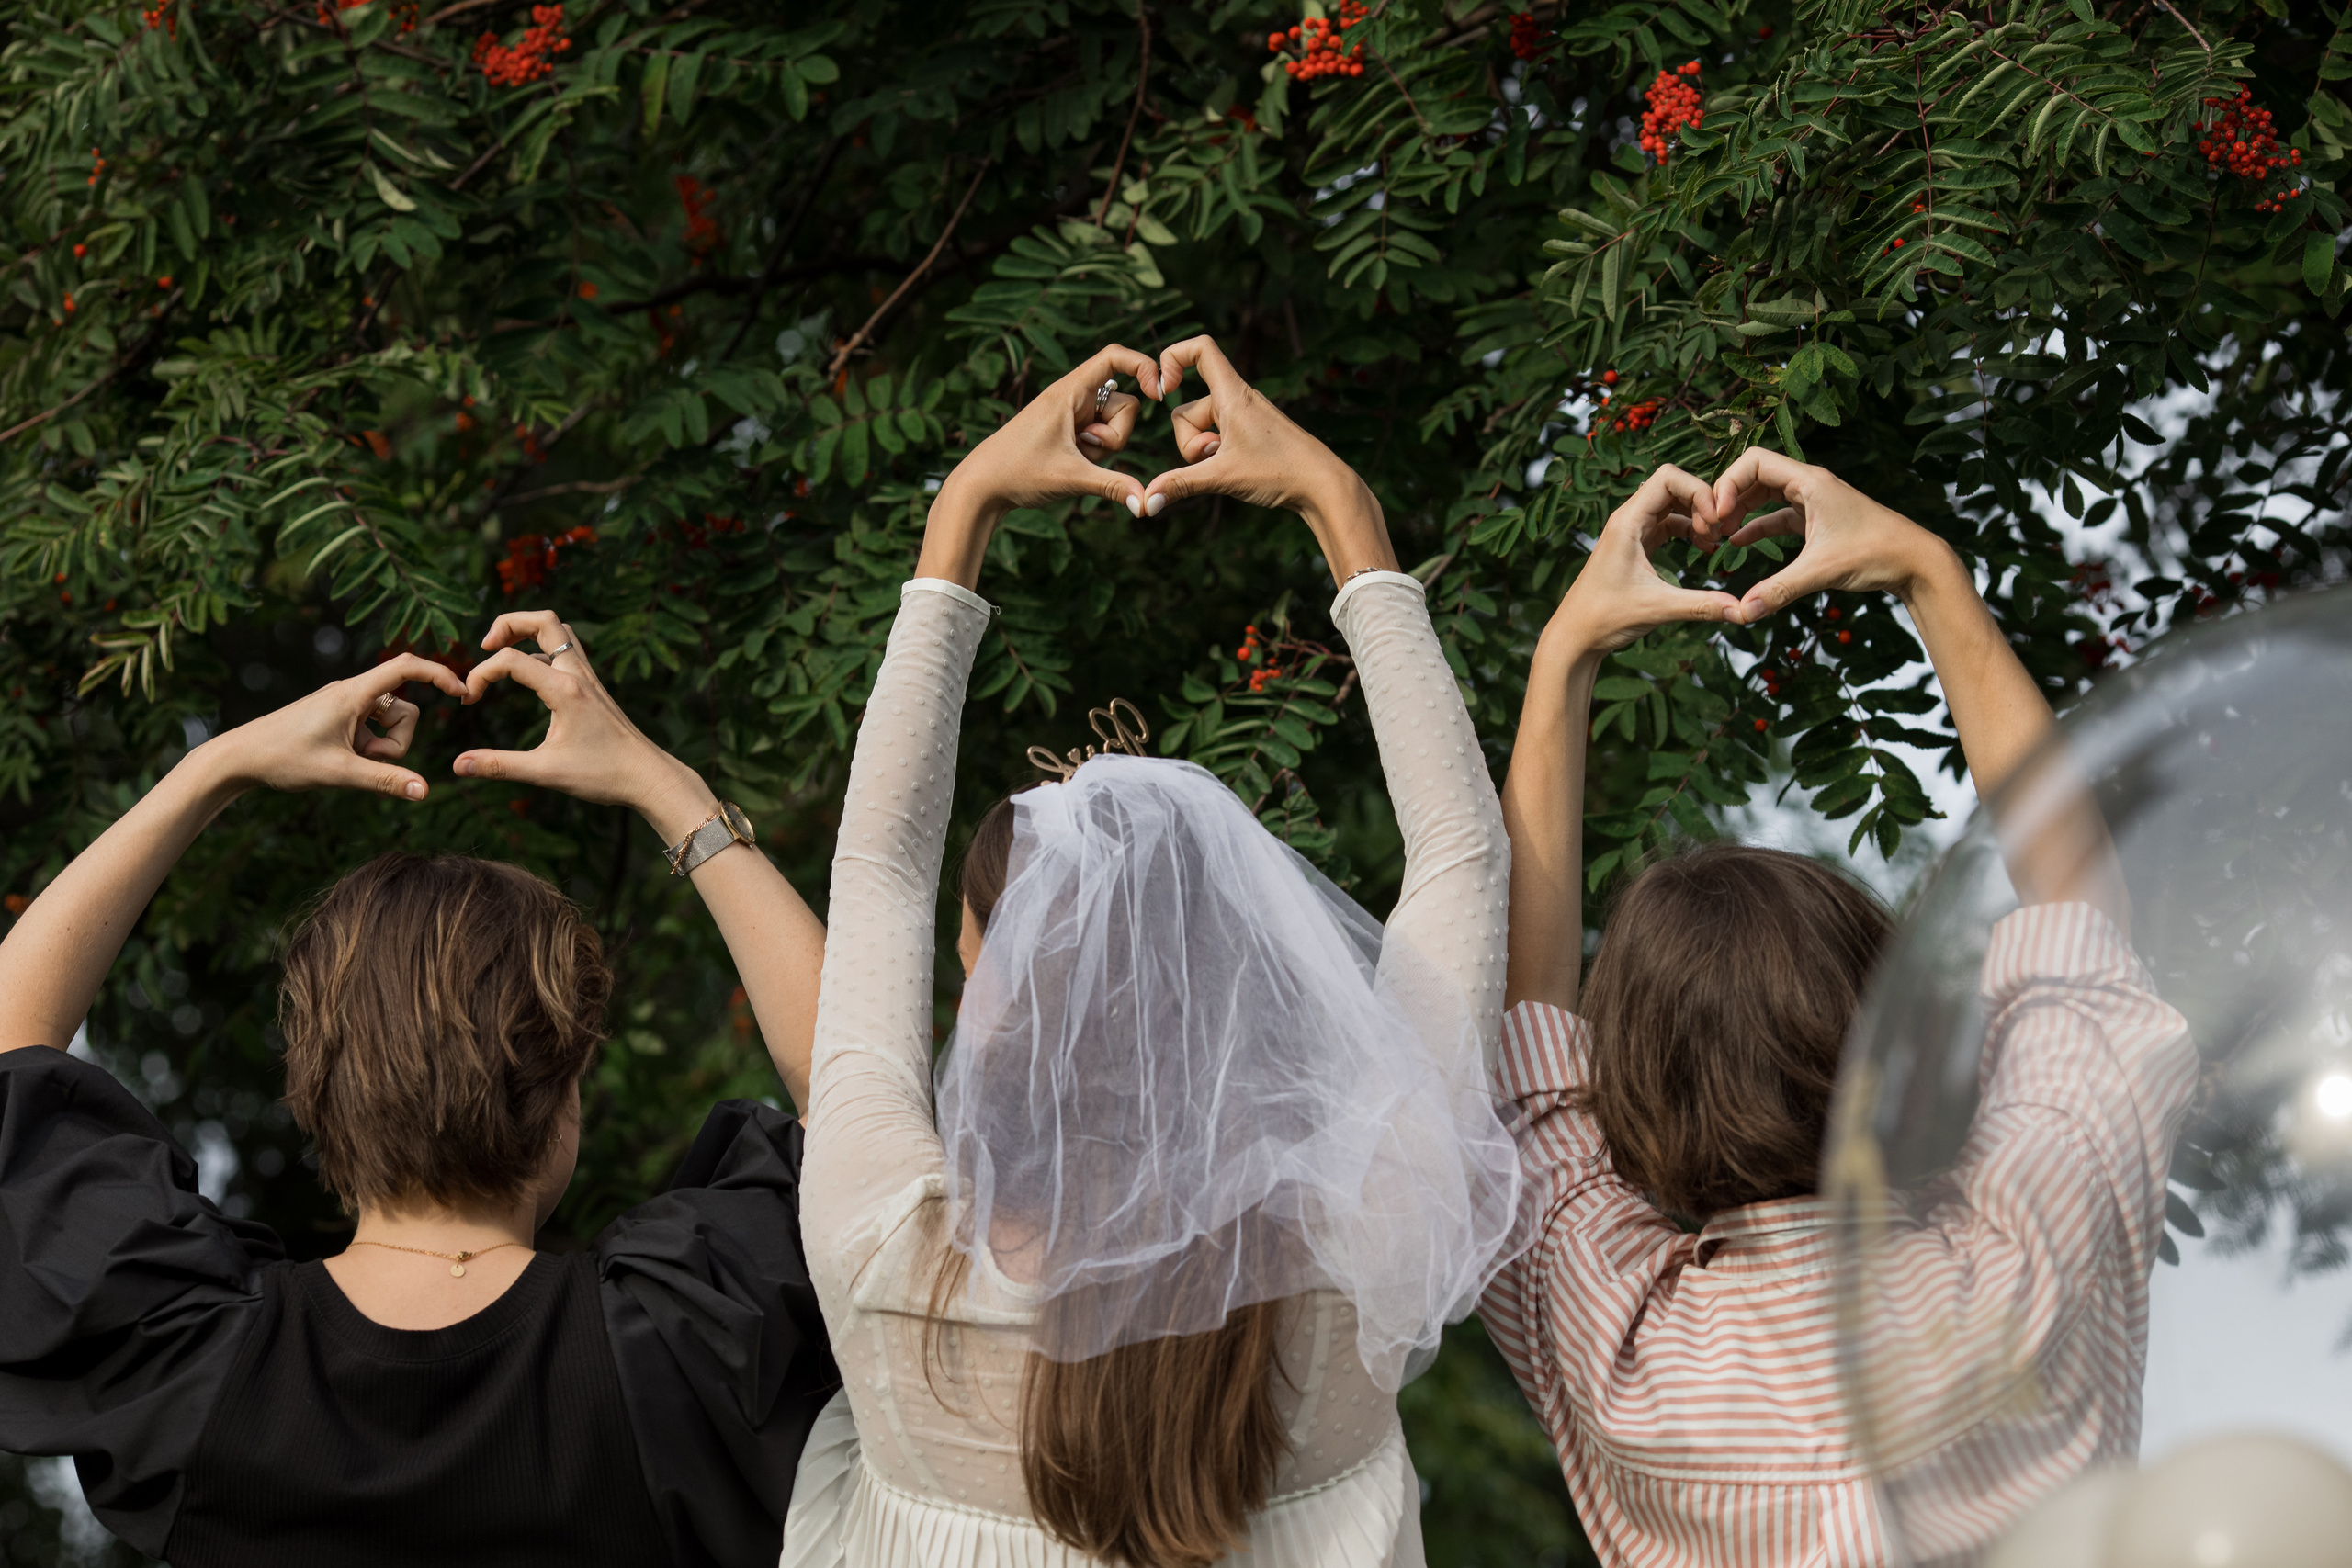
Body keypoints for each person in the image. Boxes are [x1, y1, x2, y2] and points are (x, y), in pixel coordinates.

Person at [788, 337, 1526, 1568]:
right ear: (1245, 980)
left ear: (996, 998)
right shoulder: (1371, 1251)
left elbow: (877, 869)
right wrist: (1342, 510)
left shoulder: (882, 1248)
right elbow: (1461, 855)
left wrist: (961, 513)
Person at [0, 613, 840, 1568]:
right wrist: (669, 788)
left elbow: (7, 1063)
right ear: (564, 1090)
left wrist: (216, 769)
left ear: (310, 1087)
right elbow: (863, 1108)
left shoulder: (193, 1363)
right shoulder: (683, 1339)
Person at [1478, 452, 2196, 1565]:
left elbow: (1530, 1048)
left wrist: (1564, 655)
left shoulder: (1615, 1338)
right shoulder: (2023, 1253)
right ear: (1890, 1027)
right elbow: (2080, 920)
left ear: (1633, 1086)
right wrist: (1926, 573)